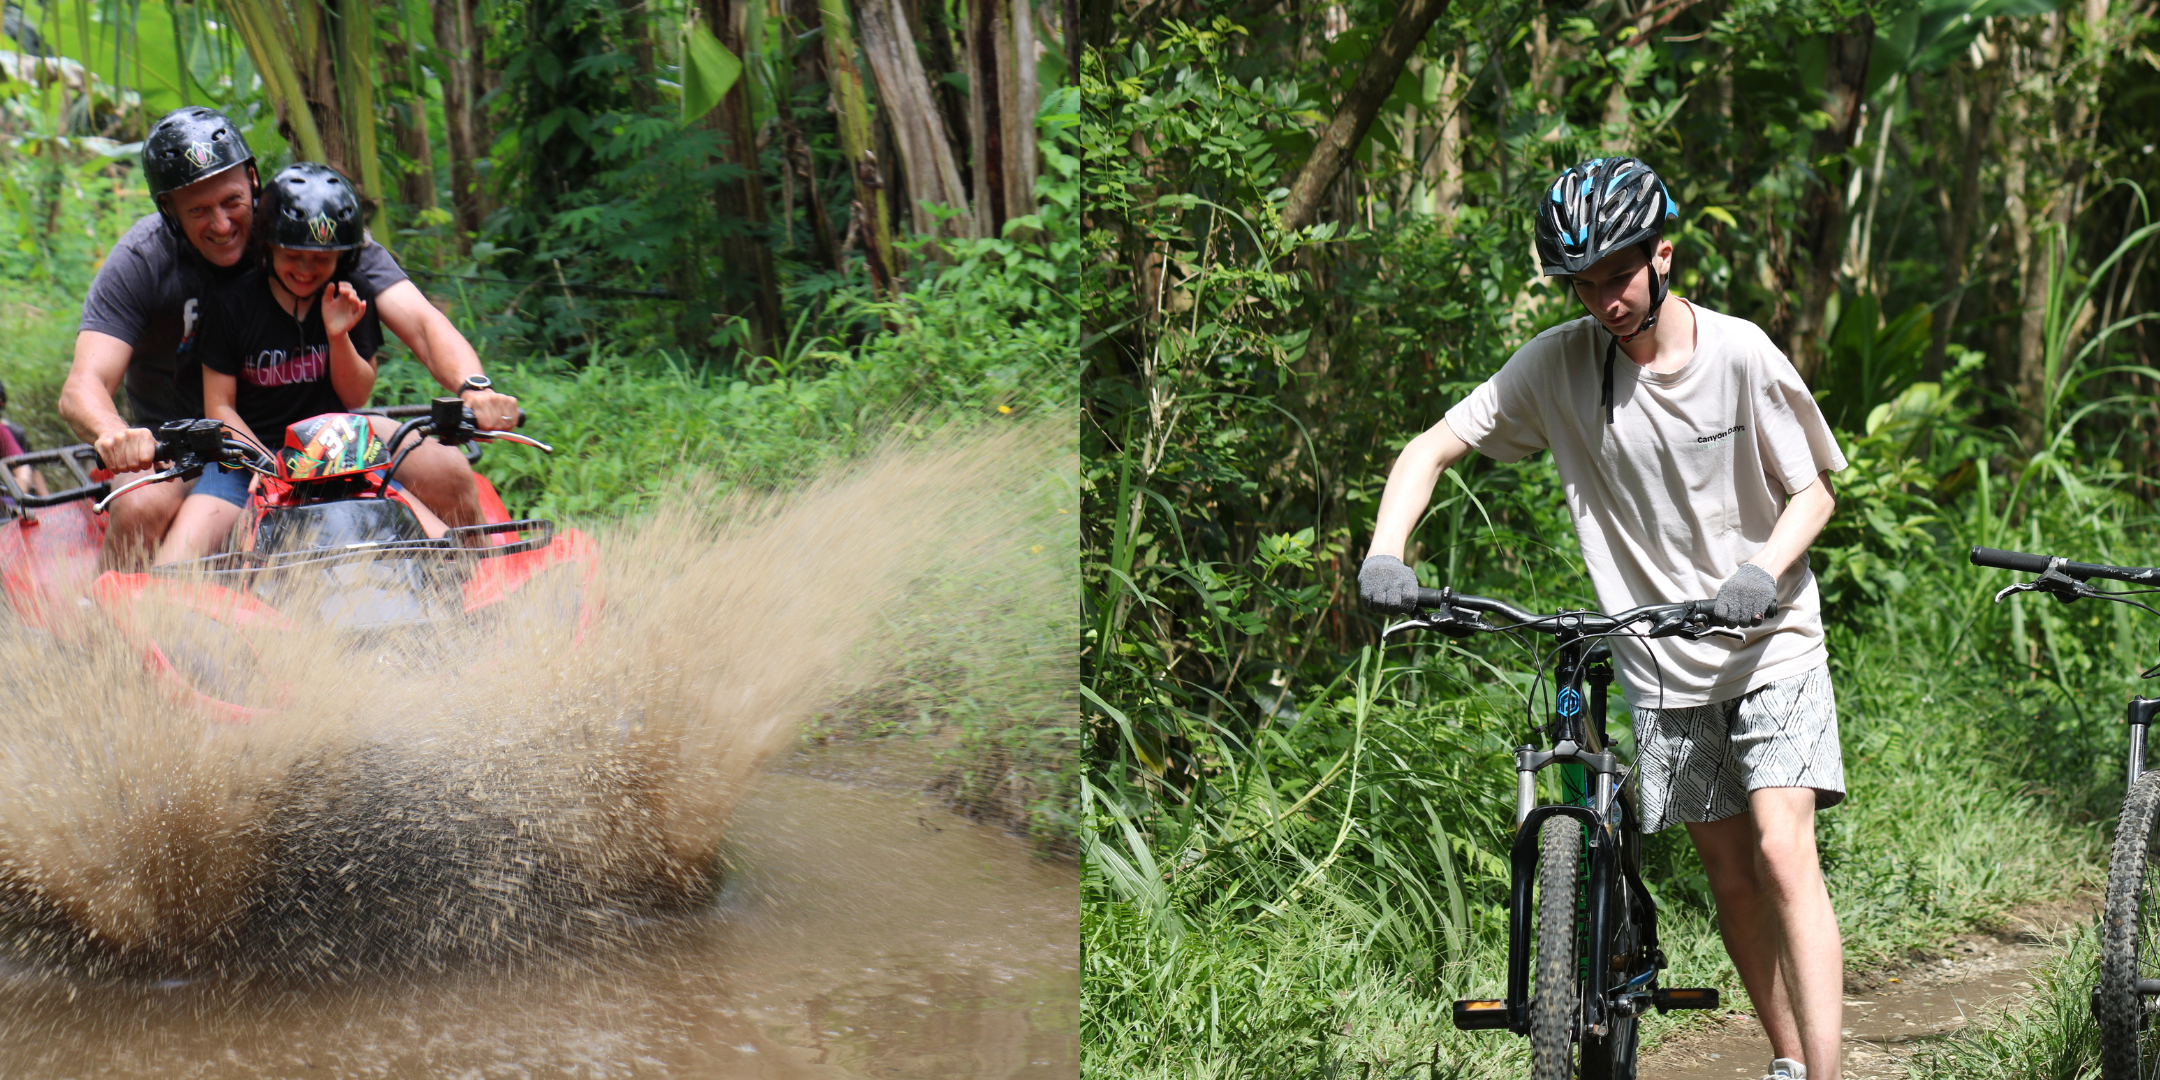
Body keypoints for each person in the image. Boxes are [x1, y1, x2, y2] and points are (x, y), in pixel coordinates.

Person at [1357, 157, 1848, 1080]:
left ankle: (1826, 1076)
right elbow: (1430, 449)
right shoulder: (1558, 364)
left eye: (1617, 275)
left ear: (1661, 257)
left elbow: (1813, 493)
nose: (1603, 300)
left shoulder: (1739, 353)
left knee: (1784, 853)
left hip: (1770, 642)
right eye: (1582, 283)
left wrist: (1760, 569)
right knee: (1731, 878)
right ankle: (1784, 1056)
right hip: (1661, 659)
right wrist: (1389, 549)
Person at [59, 105, 520, 568]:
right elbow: (83, 386)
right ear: (169, 211)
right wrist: (117, 435)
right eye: (198, 210)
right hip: (183, 443)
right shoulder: (142, 261)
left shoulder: (308, 227)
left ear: (254, 182)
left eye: (232, 202)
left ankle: (479, 598)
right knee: (141, 507)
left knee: (448, 469)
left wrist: (474, 388)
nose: (221, 224)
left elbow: (421, 322)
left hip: (324, 429)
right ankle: (111, 630)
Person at [160, 163, 453, 563]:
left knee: (441, 545)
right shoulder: (231, 303)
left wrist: (338, 334)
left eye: (321, 258)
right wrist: (266, 465)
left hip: (337, 456)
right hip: (246, 461)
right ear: (268, 248)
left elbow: (356, 394)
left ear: (342, 257)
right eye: (293, 255)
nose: (305, 268)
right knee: (174, 563)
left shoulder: (352, 295)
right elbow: (220, 406)